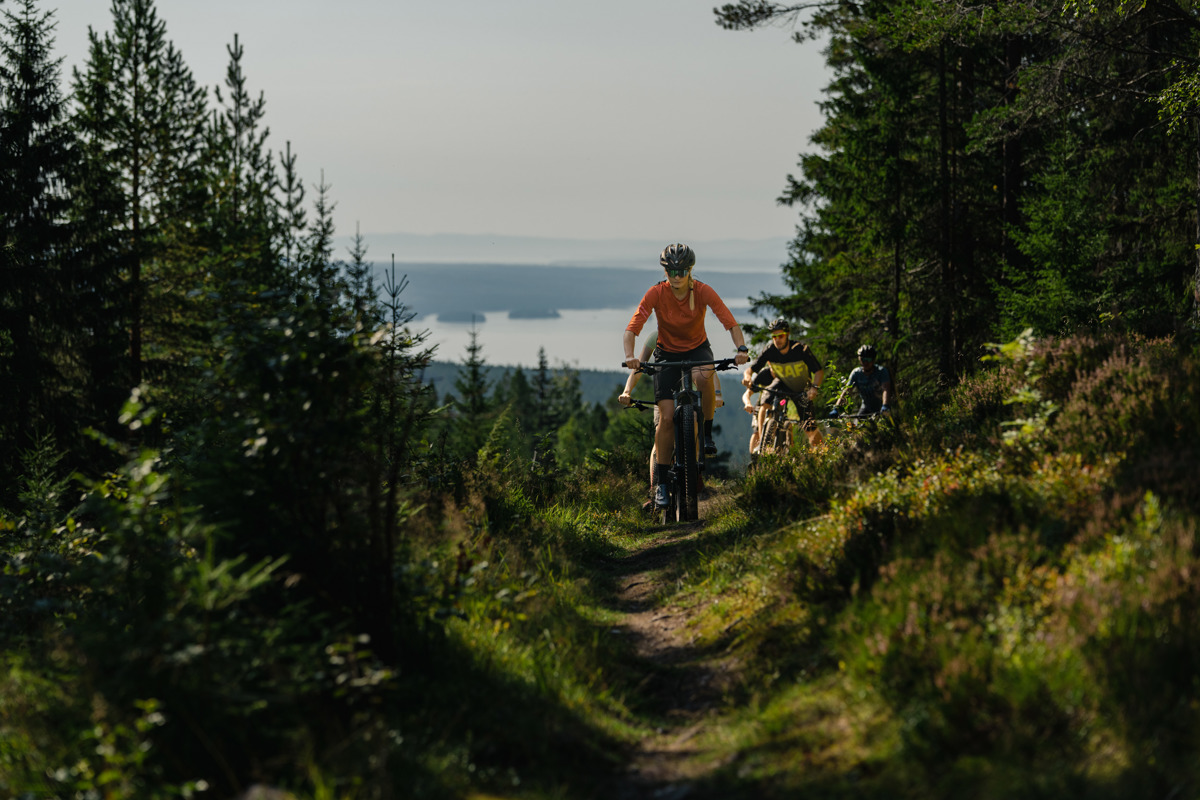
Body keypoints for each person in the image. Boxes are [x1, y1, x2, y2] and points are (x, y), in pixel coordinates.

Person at [623, 244, 748, 508]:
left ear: (690, 270)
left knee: (704, 377)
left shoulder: (702, 291)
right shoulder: (656, 293)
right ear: (665, 270)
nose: (677, 276)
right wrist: (630, 355)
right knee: (666, 419)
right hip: (666, 355)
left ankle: (706, 432)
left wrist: (741, 349)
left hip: (698, 350)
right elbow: (632, 328)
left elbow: (730, 322)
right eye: (671, 270)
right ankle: (662, 484)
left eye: (682, 270)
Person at [618, 328, 725, 511]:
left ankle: (694, 470)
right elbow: (639, 367)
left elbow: (709, 370)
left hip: (689, 394)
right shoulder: (655, 337)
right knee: (659, 440)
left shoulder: (695, 333)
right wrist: (627, 391)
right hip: (666, 395)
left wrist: (717, 394)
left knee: (694, 422)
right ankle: (656, 490)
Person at [741, 317, 825, 451]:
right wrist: (747, 377)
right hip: (782, 384)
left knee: (810, 428)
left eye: (780, 336)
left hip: (802, 388)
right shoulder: (770, 351)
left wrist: (814, 388)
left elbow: (819, 371)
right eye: (774, 336)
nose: (777, 339)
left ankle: (823, 451)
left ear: (787, 335)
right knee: (765, 404)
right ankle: (764, 443)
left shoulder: (800, 350)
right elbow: (750, 369)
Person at [832, 343, 894, 417]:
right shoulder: (856, 373)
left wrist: (885, 405)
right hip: (866, 408)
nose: (865, 362)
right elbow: (847, 391)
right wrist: (836, 408)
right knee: (858, 425)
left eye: (868, 359)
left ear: (873, 360)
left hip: (883, 408)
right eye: (863, 359)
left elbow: (885, 389)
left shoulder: (881, 372)